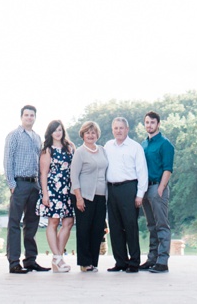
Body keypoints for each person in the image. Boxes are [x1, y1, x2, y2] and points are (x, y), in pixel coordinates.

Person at [3, 105, 47, 273]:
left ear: (35, 118)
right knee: (15, 223)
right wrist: (12, 185)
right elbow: (8, 160)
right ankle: (14, 262)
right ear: (21, 117)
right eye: (26, 115)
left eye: (32, 115)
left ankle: (30, 260)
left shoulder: (37, 138)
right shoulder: (13, 136)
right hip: (19, 184)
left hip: (34, 184)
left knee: (32, 224)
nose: (29, 118)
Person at [101, 116, 149, 272]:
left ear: (127, 129)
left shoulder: (135, 147)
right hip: (112, 189)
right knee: (115, 228)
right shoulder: (108, 146)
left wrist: (140, 194)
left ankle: (134, 262)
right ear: (112, 130)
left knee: (130, 226)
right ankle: (120, 262)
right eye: (116, 128)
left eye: (121, 128)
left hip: (129, 189)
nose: (118, 131)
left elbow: (142, 172)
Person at [36, 120, 76, 273]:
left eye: (60, 130)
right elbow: (43, 174)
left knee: (68, 222)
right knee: (53, 222)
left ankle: (57, 258)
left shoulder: (69, 147)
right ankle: (58, 258)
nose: (58, 133)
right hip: (53, 190)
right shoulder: (47, 150)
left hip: (67, 189)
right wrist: (45, 194)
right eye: (55, 130)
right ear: (50, 133)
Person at [70, 120, 110, 272]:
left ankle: (93, 262)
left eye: (93, 132)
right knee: (84, 229)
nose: (90, 135)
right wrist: (79, 198)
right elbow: (74, 176)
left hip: (101, 196)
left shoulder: (102, 150)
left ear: (97, 134)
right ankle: (84, 263)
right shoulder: (80, 152)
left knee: (97, 229)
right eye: (88, 132)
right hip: (84, 196)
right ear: (83, 135)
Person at [141, 111, 175, 273]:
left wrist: (161, 188)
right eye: (147, 122)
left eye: (152, 122)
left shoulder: (165, 144)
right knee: (151, 225)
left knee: (162, 225)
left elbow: (168, 169)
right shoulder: (143, 144)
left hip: (157, 187)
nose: (149, 125)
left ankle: (162, 261)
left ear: (158, 124)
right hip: (145, 188)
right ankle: (152, 259)